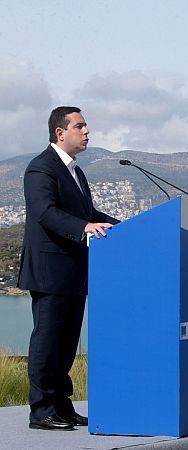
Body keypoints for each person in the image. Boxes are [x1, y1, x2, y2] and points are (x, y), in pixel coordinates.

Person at [18, 106, 119, 430]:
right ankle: (42, 410)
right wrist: (85, 228)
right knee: (47, 343)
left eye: (86, 125)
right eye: (80, 126)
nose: (87, 131)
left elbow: (88, 210)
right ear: (60, 133)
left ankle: (62, 405)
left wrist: (127, 226)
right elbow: (45, 212)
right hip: (50, 271)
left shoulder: (75, 171)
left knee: (66, 345)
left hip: (75, 271)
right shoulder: (41, 168)